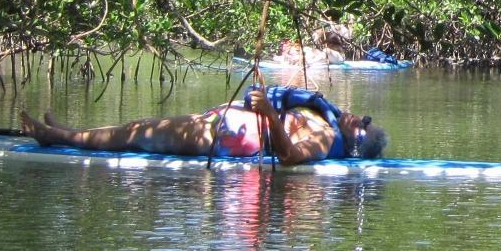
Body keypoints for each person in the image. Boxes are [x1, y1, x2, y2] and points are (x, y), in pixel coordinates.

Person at [21, 83, 389, 164]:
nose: (359, 119)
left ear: (354, 141)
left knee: (134, 135)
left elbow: (291, 157)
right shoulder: (324, 118)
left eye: (363, 127)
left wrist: (270, 117)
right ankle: (66, 132)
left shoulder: (325, 137)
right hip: (222, 126)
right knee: (138, 128)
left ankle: (58, 136)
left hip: (222, 138)